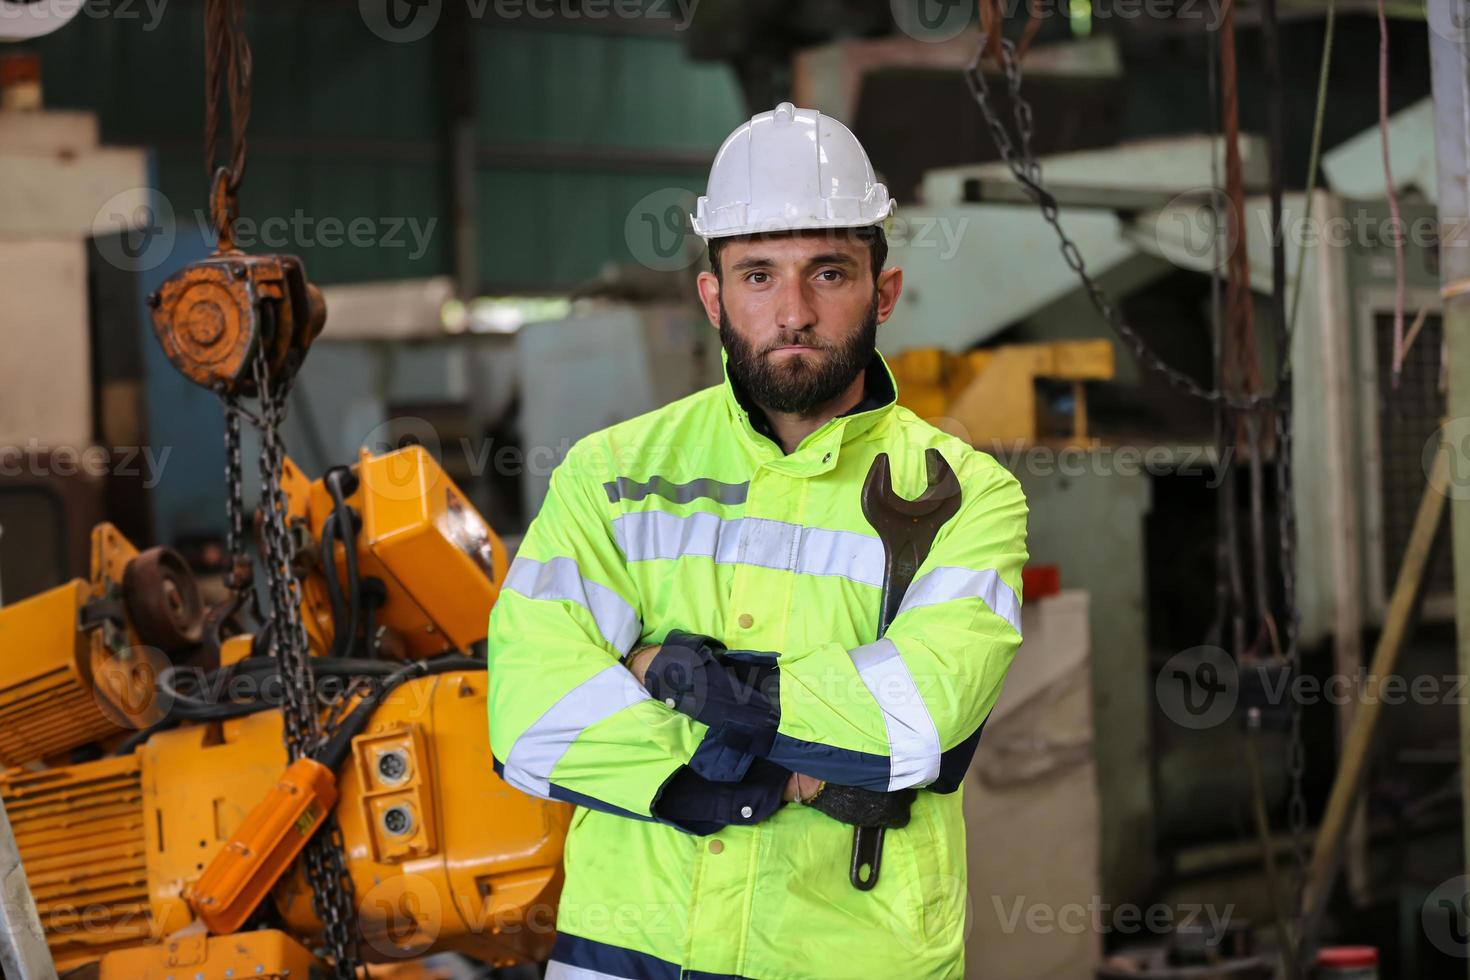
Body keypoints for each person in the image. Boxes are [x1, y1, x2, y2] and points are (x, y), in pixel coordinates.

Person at [486, 102, 1028, 980]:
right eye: (758, 275)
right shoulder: (613, 475)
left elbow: (913, 724)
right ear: (713, 297)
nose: (794, 311)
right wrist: (780, 775)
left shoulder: (967, 496)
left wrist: (664, 671)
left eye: (829, 273)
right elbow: (530, 713)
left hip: (847, 959)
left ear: (883, 291)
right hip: (624, 957)